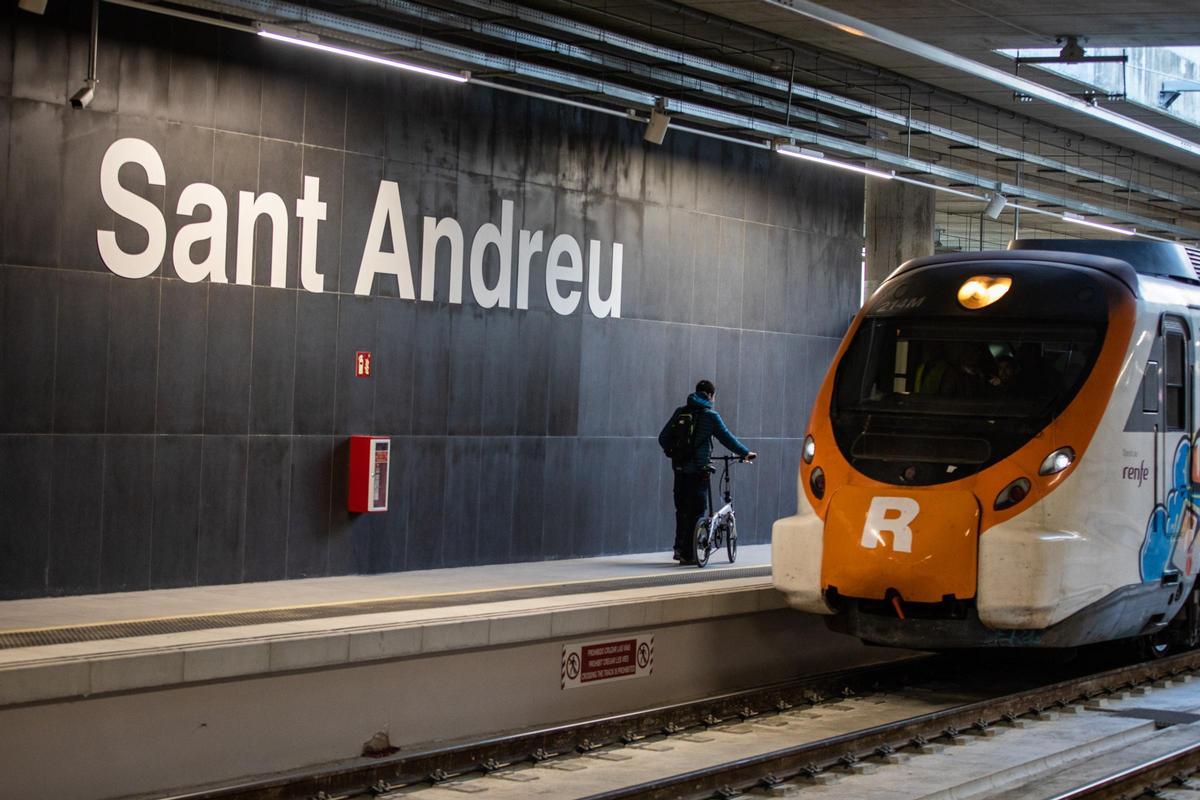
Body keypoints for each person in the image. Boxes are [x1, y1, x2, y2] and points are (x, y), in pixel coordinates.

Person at [658, 380, 756, 564]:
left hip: (679, 469)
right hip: (698, 470)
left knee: (681, 510)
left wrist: (674, 454)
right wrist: (746, 453)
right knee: (697, 511)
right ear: (711, 395)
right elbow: (727, 438)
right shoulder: (710, 416)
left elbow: (662, 438)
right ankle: (689, 554)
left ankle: (679, 549)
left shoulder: (681, 412)